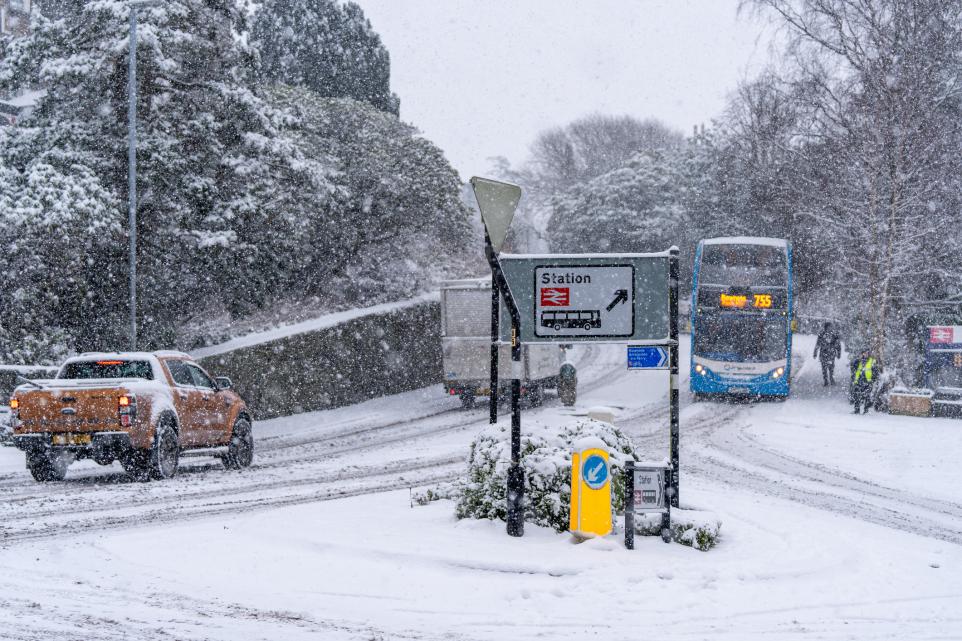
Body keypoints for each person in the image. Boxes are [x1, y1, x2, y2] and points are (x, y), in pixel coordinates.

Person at [851, 349, 881, 414]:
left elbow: (876, 372)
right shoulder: (859, 361)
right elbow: (853, 367)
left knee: (867, 396)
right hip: (858, 381)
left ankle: (866, 411)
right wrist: (857, 360)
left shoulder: (872, 361)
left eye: (866, 353)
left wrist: (872, 380)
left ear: (869, 354)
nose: (865, 354)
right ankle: (857, 410)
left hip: (867, 382)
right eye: (863, 353)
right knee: (856, 396)